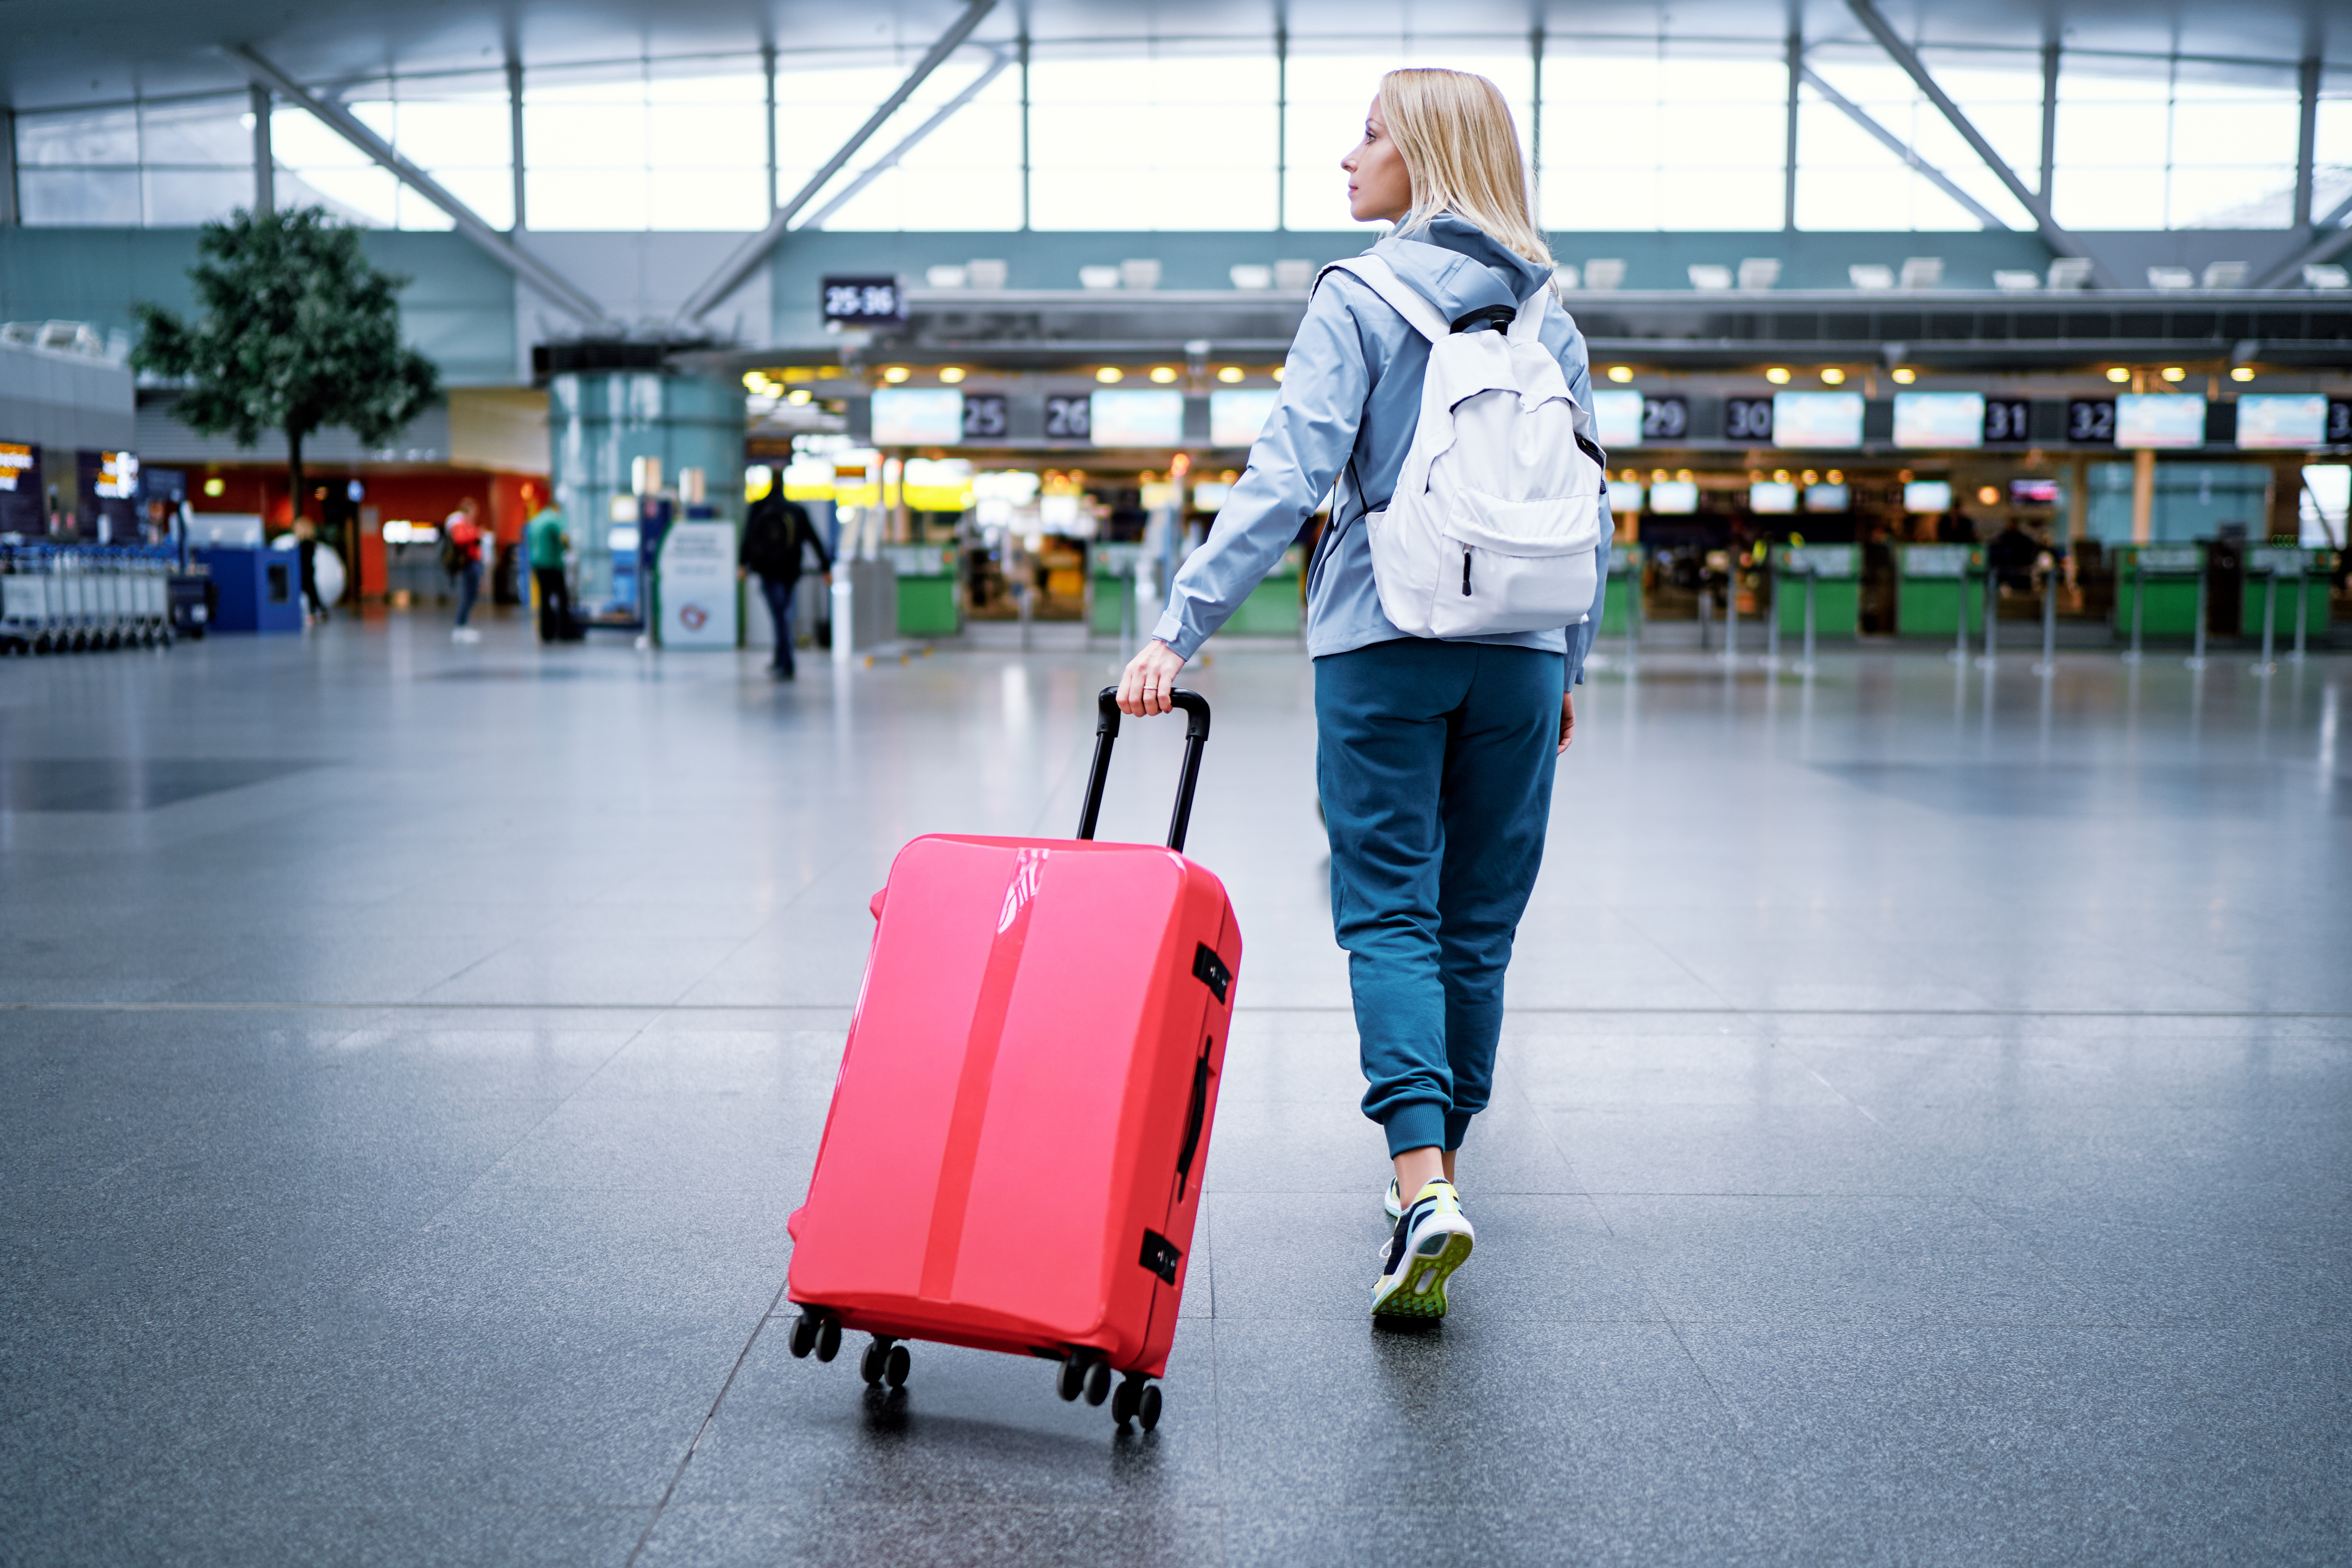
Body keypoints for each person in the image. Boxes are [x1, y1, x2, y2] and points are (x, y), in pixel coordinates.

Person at [1114, 67, 1605, 1322]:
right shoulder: (1550, 315)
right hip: (1522, 647)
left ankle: (1422, 1182)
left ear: (1425, 154)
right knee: (1477, 922)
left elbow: (1285, 479)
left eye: (1371, 134)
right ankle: (1428, 1188)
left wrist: (1181, 626)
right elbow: (1590, 505)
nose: (1349, 156)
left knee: (1387, 910)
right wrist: (1569, 659)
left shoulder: (1359, 294)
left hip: (1381, 634)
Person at [738, 480, 832, 678]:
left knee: (780, 616)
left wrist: (742, 564)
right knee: (782, 614)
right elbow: (814, 539)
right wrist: (825, 567)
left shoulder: (759, 507)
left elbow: (747, 536)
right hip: (790, 571)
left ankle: (786, 663)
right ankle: (781, 659)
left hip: (768, 571)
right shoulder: (796, 511)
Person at [525, 500, 572, 642]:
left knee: (544, 598)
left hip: (537, 564)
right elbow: (564, 538)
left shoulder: (536, 520)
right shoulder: (554, 518)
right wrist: (567, 548)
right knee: (562, 597)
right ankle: (564, 632)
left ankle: (546, 633)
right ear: (556, 508)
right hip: (552, 564)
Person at [445, 498, 486, 641]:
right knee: (468, 595)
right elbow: (461, 540)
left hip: (474, 562)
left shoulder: (467, 524)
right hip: (469, 563)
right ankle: (460, 626)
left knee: (472, 594)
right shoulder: (460, 524)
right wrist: (476, 535)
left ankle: (463, 625)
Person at [293, 516, 327, 624]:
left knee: (310, 592)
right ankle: (316, 611)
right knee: (311, 593)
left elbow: (303, 558)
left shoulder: (306, 544)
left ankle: (316, 611)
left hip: (306, 570)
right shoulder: (308, 543)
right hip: (307, 570)